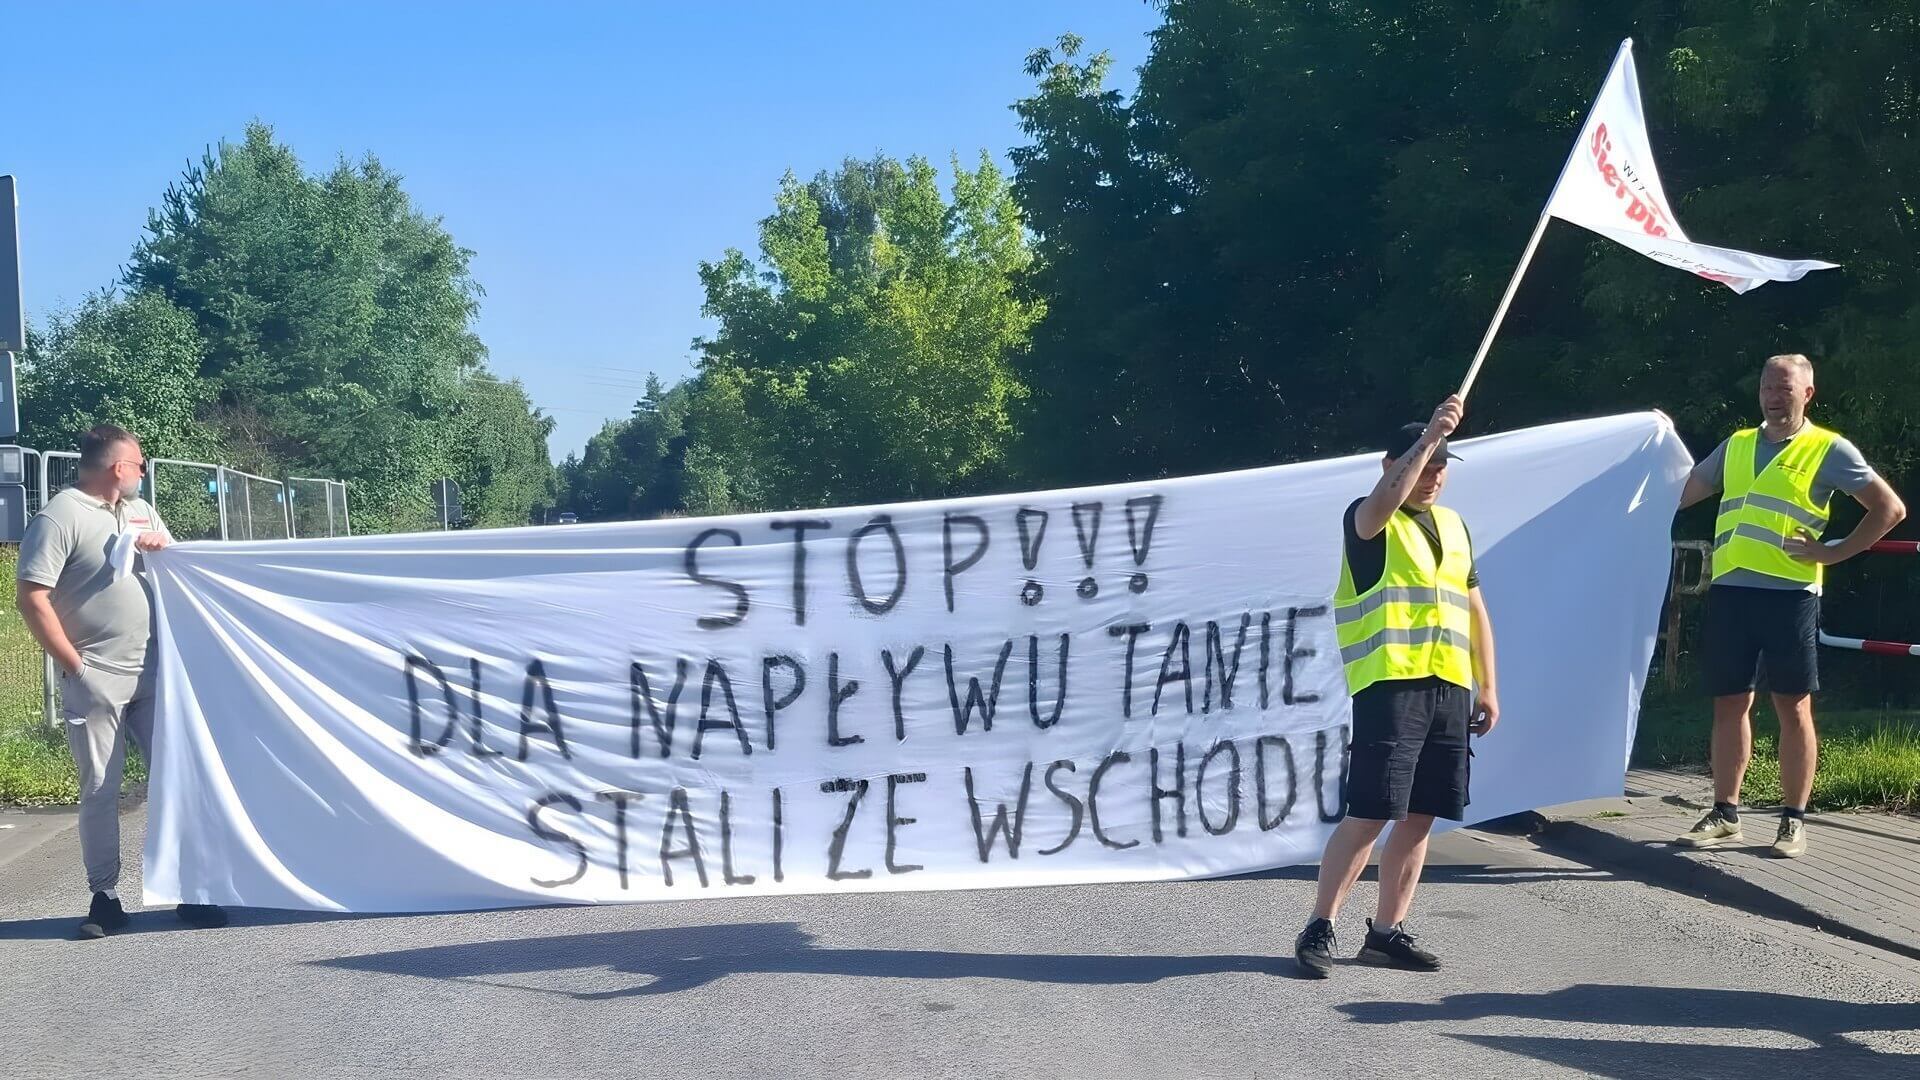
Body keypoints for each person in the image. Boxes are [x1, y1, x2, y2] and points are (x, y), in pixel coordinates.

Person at [1295, 395, 1499, 978]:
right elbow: (1379, 507)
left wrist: (1489, 686)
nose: (1433, 475)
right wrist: (1429, 435)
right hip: (1391, 684)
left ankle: (1386, 932)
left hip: (1449, 685)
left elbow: (1476, 609)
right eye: (1425, 463)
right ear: (1393, 465)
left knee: (1422, 814)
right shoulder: (1368, 518)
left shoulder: (1455, 527)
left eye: (1441, 466)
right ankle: (1320, 923)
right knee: (1372, 812)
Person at [1674, 354, 1905, 858]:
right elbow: (1680, 495)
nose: (1774, 396)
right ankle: (1725, 813)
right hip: (1733, 592)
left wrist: (1835, 551)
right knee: (1730, 701)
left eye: (1785, 388)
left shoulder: (1828, 447)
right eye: (1767, 387)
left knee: (1792, 705)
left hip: (1791, 595)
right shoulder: (1735, 445)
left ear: (1807, 394)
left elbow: (1890, 509)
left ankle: (1793, 820)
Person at [15, 424, 228, 938]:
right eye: (138, 464)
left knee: (177, 780)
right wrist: (77, 665)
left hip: (154, 671)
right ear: (117, 468)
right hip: (97, 675)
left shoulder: (139, 510)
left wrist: (163, 547)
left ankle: (189, 890)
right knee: (100, 787)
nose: (143, 472)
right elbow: (31, 597)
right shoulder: (60, 516)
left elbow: (177, 568)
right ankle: (104, 896)